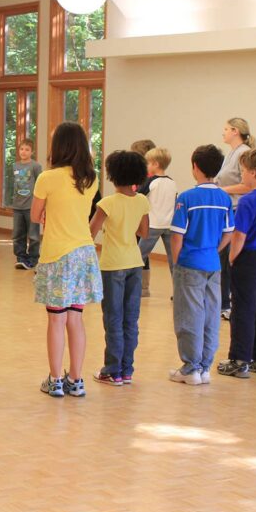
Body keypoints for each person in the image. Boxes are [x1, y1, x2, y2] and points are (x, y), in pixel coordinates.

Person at [32, 122, 102, 399]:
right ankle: (76, 379)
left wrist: (50, 214)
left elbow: (36, 216)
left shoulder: (47, 178)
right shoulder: (91, 177)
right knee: (76, 318)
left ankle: (55, 379)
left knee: (56, 320)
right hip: (84, 252)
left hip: (57, 254)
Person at [168, 145, 233, 385]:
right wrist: (214, 250)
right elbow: (228, 233)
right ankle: (205, 367)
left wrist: (177, 262)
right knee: (211, 314)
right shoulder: (224, 197)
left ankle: (190, 367)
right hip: (212, 265)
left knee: (189, 315)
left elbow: (177, 236)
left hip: (189, 263)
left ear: (195, 167)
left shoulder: (187, 198)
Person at [218, 148, 256, 378]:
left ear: (253, 172)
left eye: (243, 171)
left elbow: (239, 235)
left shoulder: (247, 201)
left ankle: (239, 359)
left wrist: (233, 257)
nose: (242, 176)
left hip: (250, 257)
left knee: (242, 309)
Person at [90, 150, 150, 386]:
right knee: (130, 319)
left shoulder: (107, 203)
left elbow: (90, 232)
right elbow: (144, 233)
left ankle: (111, 370)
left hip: (112, 265)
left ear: (112, 175)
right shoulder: (142, 200)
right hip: (135, 263)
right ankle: (127, 370)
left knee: (113, 318)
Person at [214, 117, 255, 320]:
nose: (223, 132)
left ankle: (229, 303)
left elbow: (248, 185)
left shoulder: (244, 153)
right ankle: (222, 301)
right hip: (228, 208)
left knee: (229, 256)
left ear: (235, 131)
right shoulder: (231, 153)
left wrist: (222, 189)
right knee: (222, 256)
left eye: (226, 129)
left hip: (237, 209)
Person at [138, 147, 178, 296]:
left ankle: (135, 288)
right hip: (170, 225)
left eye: (147, 163)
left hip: (153, 225)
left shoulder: (150, 182)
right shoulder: (172, 183)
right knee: (173, 261)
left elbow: (138, 196)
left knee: (138, 257)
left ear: (155, 164)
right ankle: (178, 292)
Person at [10, 140, 43, 270]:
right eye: (22, 149)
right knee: (18, 234)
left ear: (32, 152)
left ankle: (33, 258)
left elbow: (40, 185)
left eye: (27, 149)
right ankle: (21, 257)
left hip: (31, 206)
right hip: (17, 206)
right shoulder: (15, 166)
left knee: (33, 234)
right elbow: (15, 185)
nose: (23, 152)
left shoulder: (36, 166)